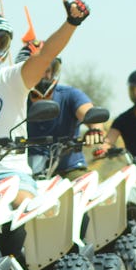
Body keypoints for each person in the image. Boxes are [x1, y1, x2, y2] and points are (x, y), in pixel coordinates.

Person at [0, 0, 90, 264]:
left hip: (9, 174)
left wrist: (71, 22)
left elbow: (46, 54)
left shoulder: (13, 79)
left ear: (3, 44)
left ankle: (46, 264)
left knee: (23, 204)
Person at [18, 40, 105, 181]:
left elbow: (90, 114)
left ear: (53, 70)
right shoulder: (17, 99)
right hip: (26, 172)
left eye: (46, 69)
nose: (43, 74)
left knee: (84, 189)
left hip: (69, 169)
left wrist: (95, 130)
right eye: (36, 69)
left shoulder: (70, 95)